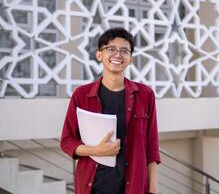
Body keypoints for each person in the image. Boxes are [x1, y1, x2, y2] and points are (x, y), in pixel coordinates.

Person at [60, 27, 161, 194]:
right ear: (99, 55)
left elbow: (152, 147)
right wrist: (96, 151)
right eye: (111, 49)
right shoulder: (81, 95)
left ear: (130, 59)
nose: (118, 55)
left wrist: (153, 189)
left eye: (124, 51)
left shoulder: (145, 95)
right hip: (93, 187)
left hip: (133, 187)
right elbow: (67, 141)